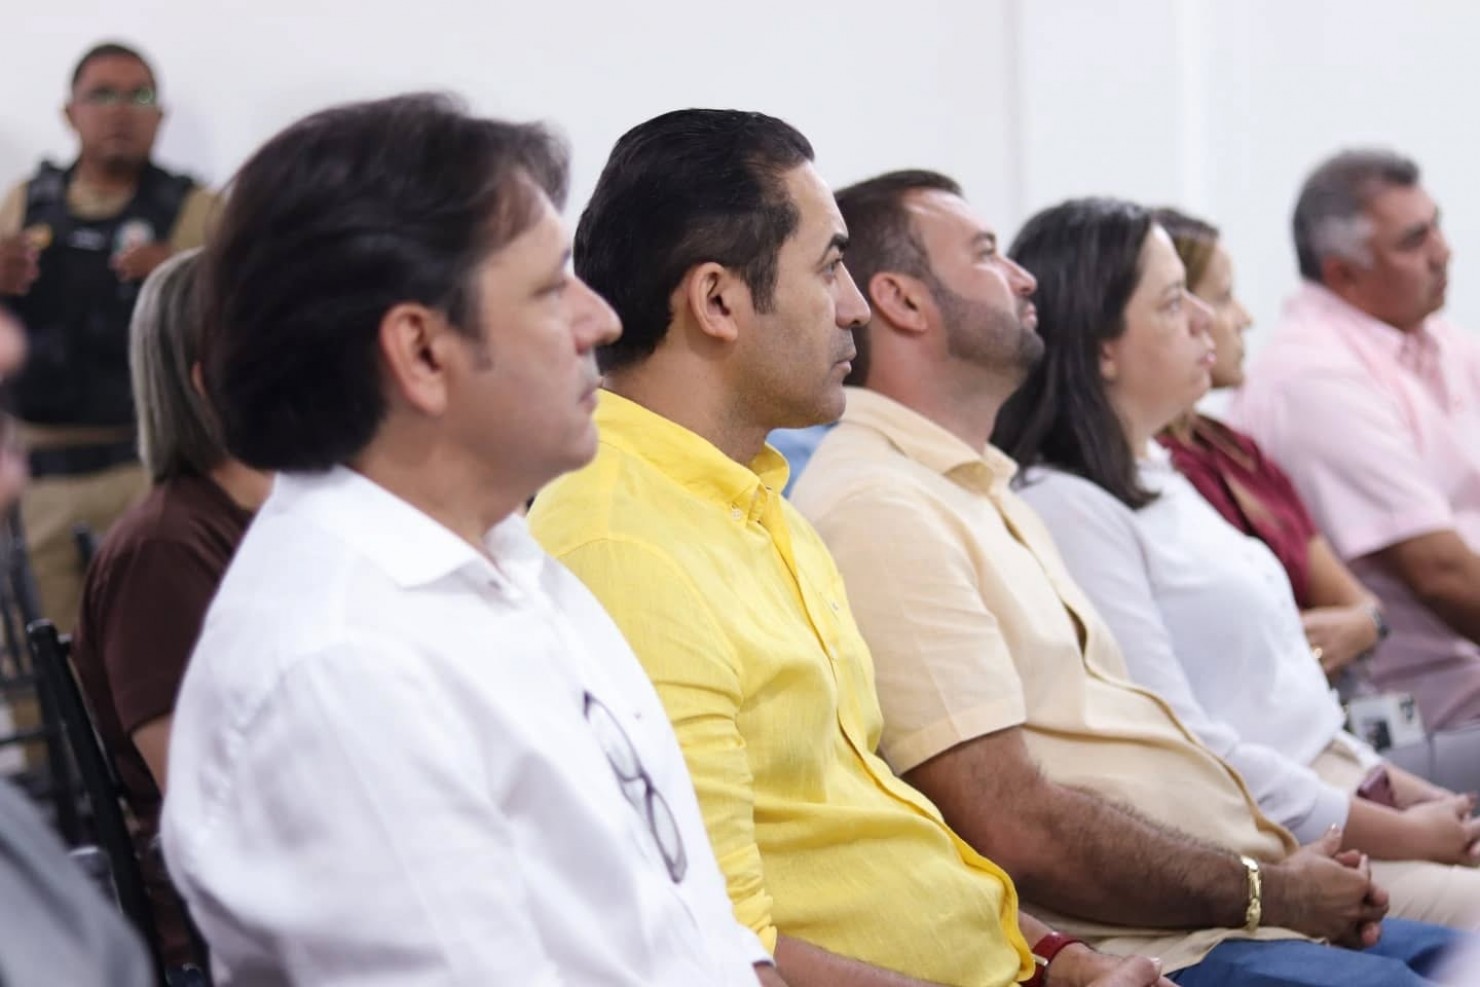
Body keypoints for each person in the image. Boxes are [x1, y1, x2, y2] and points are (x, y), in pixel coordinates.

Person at [531, 108, 1171, 987]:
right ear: (717, 300)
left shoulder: (758, 501)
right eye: (830, 266)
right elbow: (722, 947)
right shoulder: (624, 547)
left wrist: (1063, 961)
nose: (856, 307)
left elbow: (874, 816)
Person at [161, 94, 775, 985]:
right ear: (421, 351)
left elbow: (689, 917)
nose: (600, 321)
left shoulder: (510, 563)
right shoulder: (343, 666)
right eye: (549, 288)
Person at [790, 170, 1461, 986]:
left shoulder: (977, 483)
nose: (1023, 278)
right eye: (989, 254)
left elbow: (1131, 741)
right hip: (1169, 938)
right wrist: (1269, 887)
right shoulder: (882, 505)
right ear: (903, 301)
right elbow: (1012, 824)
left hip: (1229, 895)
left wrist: (1276, 874)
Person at [986, 197, 1480, 930]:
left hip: (1339, 784)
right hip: (1270, 836)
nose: (1210, 321)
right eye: (1174, 302)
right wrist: (1408, 831)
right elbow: (1189, 750)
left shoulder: (1156, 469)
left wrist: (1421, 804)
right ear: (1102, 347)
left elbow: (1299, 710)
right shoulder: (1069, 508)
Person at [70, 248, 269, 977]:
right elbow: (209, 799)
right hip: (240, 934)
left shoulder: (281, 519)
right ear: (217, 380)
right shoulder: (162, 552)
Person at [1231, 150, 1480, 731]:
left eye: (1436, 226)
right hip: (1435, 707)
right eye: (1413, 241)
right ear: (1343, 272)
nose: (1443, 252)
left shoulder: (1436, 339)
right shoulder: (1313, 376)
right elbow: (1440, 574)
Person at [0, 41, 219, 631]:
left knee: (163, 650)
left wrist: (185, 274)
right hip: (41, 483)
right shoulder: (23, 205)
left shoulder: (198, 212)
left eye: (139, 96)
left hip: (152, 474)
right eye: (102, 94)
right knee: (49, 666)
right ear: (70, 112)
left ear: (160, 115)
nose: (121, 110)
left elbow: (256, 318)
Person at [1152, 208, 1386, 686]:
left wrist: (1366, 624)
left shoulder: (1237, 450)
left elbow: (1357, 603)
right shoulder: (1145, 467)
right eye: (1223, 297)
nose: (1245, 318)